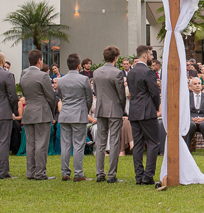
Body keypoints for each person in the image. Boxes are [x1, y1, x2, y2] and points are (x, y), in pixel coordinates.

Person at [20, 49, 58, 181]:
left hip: (29, 111)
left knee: (30, 144)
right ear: (39, 60)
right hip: (41, 111)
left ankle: (30, 171)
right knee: (41, 144)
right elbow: (51, 96)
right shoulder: (43, 76)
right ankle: (40, 172)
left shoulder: (23, 75)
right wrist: (52, 110)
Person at [128, 44, 162, 184]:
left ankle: (139, 176)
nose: (152, 58)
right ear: (144, 55)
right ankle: (148, 176)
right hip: (147, 111)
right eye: (151, 55)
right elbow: (154, 92)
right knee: (153, 143)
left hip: (134, 111)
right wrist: (157, 107)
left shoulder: (130, 72)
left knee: (138, 144)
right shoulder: (148, 72)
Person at [57, 53, 93, 182]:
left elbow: (60, 95)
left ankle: (65, 172)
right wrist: (85, 110)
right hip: (79, 114)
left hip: (65, 114)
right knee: (78, 144)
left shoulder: (61, 80)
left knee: (65, 145)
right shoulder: (83, 79)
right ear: (79, 65)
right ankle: (78, 173)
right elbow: (89, 98)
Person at [93, 46, 127, 182]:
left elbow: (95, 90)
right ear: (115, 58)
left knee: (100, 142)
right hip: (114, 109)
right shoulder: (117, 73)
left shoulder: (96, 72)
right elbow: (121, 95)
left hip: (101, 108)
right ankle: (112, 175)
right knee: (114, 142)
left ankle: (99, 173)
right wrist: (122, 108)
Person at [186, 76, 204, 155]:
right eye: (195, 84)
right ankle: (186, 149)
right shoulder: (187, 97)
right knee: (190, 125)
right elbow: (185, 112)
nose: (197, 85)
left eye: (199, 83)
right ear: (191, 86)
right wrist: (191, 118)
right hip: (192, 119)